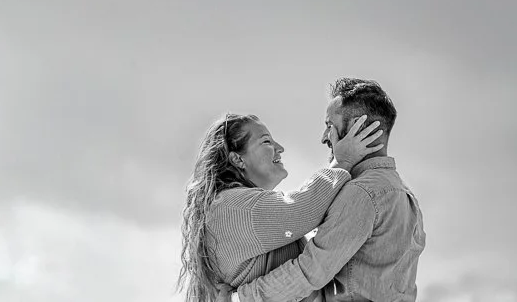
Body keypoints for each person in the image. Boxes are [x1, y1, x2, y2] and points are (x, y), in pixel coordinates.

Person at [230, 78, 426, 302]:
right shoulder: (403, 193)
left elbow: (310, 271)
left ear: (357, 128)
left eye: (329, 126)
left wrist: (238, 298)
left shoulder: (362, 193)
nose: (324, 137)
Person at [178, 109, 385, 302]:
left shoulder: (233, 206)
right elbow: (301, 210)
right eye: (267, 142)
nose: (280, 148)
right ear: (238, 159)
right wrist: (343, 161)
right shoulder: (233, 207)